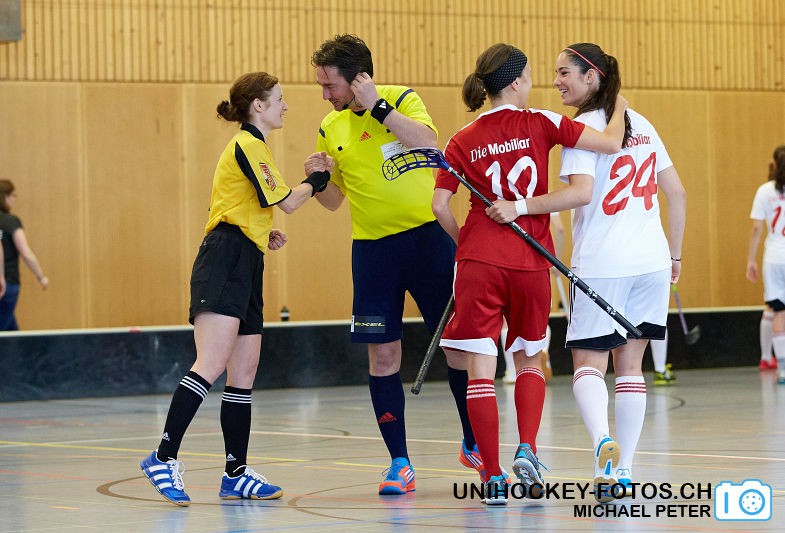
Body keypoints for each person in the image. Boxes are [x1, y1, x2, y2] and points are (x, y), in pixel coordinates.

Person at [432, 43, 628, 505]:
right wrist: (616, 101)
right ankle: (529, 450)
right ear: (517, 81)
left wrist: (469, 245)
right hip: (530, 256)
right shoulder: (541, 121)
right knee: (528, 358)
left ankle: (493, 477)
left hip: (479, 257)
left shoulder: (460, 138)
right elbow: (611, 143)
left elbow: (439, 205)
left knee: (481, 369)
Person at [139, 72, 333, 506]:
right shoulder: (248, 144)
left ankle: (235, 472)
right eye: (279, 100)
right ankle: (162, 456)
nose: (286, 106)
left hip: (246, 257)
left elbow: (246, 206)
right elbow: (287, 201)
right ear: (257, 106)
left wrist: (262, 234)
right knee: (209, 364)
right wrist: (317, 179)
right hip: (225, 260)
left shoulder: (255, 148)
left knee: (242, 375)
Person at [308, 34, 482, 495]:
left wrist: (379, 108)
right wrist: (318, 180)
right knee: (383, 354)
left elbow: (429, 143)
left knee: (457, 345)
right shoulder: (330, 126)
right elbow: (332, 202)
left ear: (359, 78)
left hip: (427, 242)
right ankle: (399, 462)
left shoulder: (402, 98)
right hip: (372, 252)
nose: (326, 94)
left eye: (331, 85)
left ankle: (474, 440)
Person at [552, 42, 686, 501]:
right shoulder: (644, 123)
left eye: (565, 72)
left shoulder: (581, 129)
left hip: (603, 263)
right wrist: (675, 257)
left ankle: (600, 446)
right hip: (651, 261)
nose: (557, 81)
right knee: (632, 367)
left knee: (589, 362)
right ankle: (624, 469)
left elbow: (581, 195)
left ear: (593, 77)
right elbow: (679, 194)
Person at [502, 213, 563, 384]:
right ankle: (539, 356)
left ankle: (511, 370)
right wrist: (554, 261)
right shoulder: (544, 192)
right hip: (538, 260)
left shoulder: (499, 188)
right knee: (540, 319)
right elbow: (559, 229)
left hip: (507, 258)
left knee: (508, 320)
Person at [747, 145, 785, 384]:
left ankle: (782, 369)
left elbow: (756, 229)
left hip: (774, 257)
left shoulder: (765, 191)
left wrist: (750, 259)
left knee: (778, 312)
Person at [0, 180, 49, 331]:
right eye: (13, 195)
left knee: (11, 330)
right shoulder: (11, 221)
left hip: (5, 282)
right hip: (8, 284)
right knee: (4, 330)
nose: (14, 199)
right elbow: (25, 252)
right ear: (6, 197)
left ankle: (21, 354)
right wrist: (41, 276)